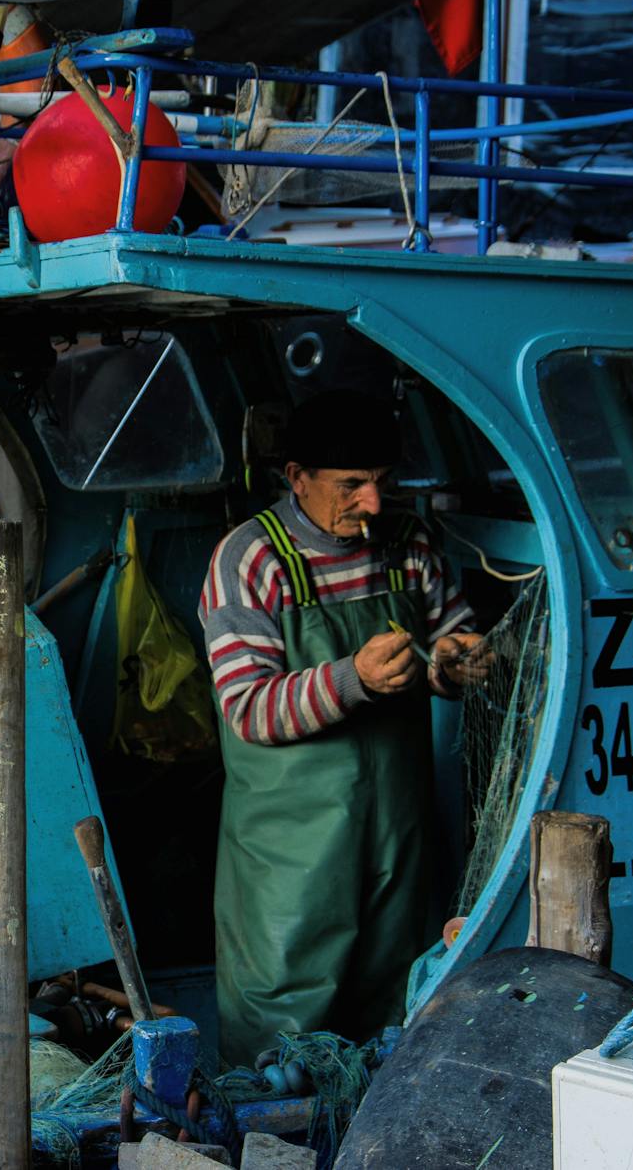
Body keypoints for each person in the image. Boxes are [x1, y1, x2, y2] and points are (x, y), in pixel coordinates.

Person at [199, 389, 483, 1064]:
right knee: (284, 1031)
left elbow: (450, 637)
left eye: (384, 482)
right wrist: (351, 679)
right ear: (297, 478)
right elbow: (248, 707)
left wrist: (456, 662)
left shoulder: (408, 544)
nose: (374, 504)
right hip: (292, 854)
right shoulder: (251, 562)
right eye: (351, 484)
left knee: (399, 1005)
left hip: (397, 838)